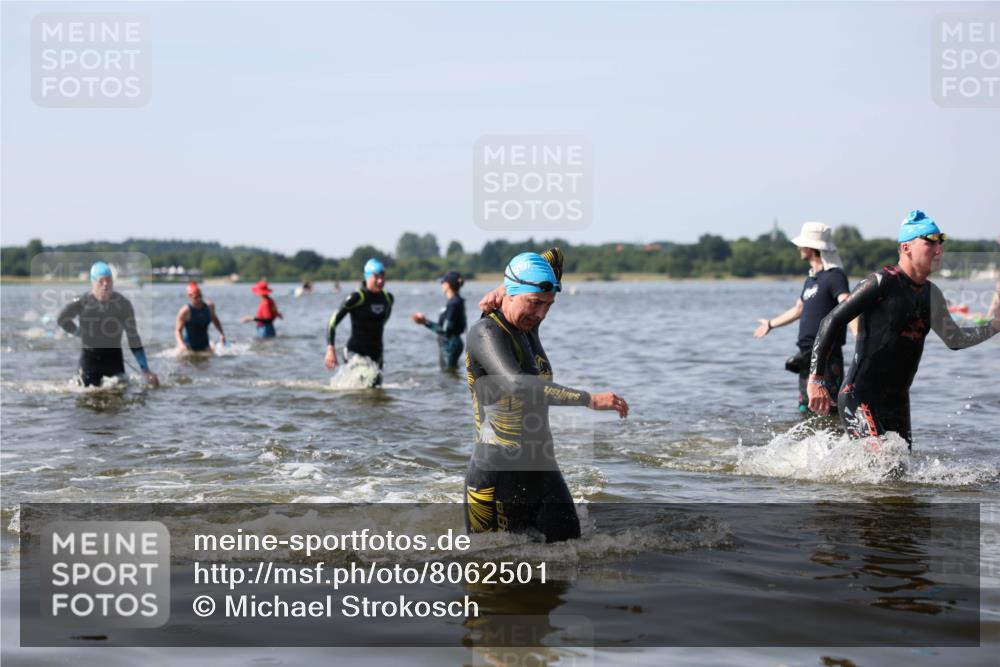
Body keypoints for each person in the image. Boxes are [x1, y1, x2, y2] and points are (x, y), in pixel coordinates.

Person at [465, 251, 628, 543]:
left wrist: (503, 287)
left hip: (543, 470)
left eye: (548, 306)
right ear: (513, 297)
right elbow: (518, 385)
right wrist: (588, 399)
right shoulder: (486, 332)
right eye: (535, 303)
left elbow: (555, 256)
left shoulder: (528, 326)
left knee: (570, 556)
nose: (541, 314)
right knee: (494, 577)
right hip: (497, 479)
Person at [808, 210, 999, 447]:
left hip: (898, 404)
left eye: (942, 242)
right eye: (931, 242)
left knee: (899, 478)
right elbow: (831, 321)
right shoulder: (882, 282)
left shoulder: (932, 294)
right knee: (884, 464)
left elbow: (955, 339)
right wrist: (816, 379)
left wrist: (995, 326)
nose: (939, 250)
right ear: (907, 247)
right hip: (860, 397)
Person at [753, 222, 853, 413]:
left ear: (811, 248)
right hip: (806, 354)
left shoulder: (834, 276)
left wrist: (858, 332)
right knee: (807, 408)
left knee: (828, 407)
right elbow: (798, 309)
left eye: (802, 244)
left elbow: (847, 304)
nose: (798, 248)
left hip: (827, 353)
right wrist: (771, 324)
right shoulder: (812, 279)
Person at [57, 261, 159, 387]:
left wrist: (145, 370)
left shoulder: (123, 304)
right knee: (86, 399)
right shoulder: (82, 302)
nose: (106, 285)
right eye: (101, 281)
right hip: (90, 361)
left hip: (114, 361)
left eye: (109, 280)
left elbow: (133, 337)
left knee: (119, 398)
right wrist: (78, 332)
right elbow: (61, 319)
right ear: (93, 282)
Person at [325, 258, 394, 386]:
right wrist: (330, 348)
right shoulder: (356, 298)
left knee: (376, 389)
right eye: (376, 276)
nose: (380, 280)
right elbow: (333, 322)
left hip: (376, 353)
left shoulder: (388, 298)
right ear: (367, 277)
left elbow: (384, 319)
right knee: (366, 375)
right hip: (354, 352)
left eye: (382, 276)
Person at [410, 271, 467, 370]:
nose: (441, 285)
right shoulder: (456, 301)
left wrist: (424, 322)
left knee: (447, 374)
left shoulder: (453, 303)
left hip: (450, 345)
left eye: (443, 282)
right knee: (451, 374)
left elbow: (445, 330)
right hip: (453, 343)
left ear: (448, 284)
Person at [175, 282, 225, 353]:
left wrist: (222, 334)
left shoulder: (209, 307)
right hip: (189, 347)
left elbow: (215, 320)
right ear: (189, 297)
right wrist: (181, 344)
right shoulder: (185, 312)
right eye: (195, 297)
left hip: (205, 346)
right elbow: (178, 331)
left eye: (200, 296)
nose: (199, 299)